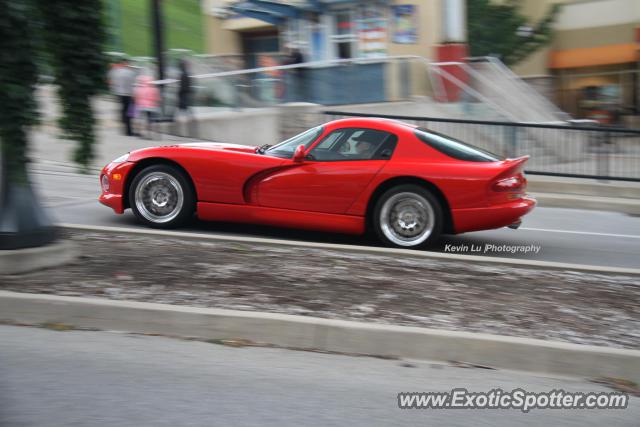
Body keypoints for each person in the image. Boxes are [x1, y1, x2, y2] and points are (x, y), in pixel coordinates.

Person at [108, 59, 137, 136]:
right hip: (129, 94)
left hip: (119, 93)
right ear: (126, 64)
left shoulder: (116, 72)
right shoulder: (130, 72)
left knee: (123, 110)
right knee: (130, 112)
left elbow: (112, 82)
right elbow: (133, 84)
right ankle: (129, 130)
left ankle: (124, 126)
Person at [176, 59, 197, 137]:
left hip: (183, 96)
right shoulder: (187, 74)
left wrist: (179, 93)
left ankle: (182, 133)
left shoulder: (182, 75)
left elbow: (183, 87)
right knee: (188, 114)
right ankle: (190, 132)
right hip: (186, 96)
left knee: (182, 115)